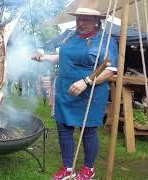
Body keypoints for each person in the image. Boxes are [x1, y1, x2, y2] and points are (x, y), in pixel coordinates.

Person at [32, 1, 118, 179]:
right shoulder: (70, 36)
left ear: (96, 21)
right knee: (63, 128)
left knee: (88, 131)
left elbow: (110, 69)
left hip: (90, 93)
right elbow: (62, 57)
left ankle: (89, 169)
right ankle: (68, 168)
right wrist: (44, 58)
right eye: (79, 19)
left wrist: (86, 82)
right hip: (64, 91)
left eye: (85, 19)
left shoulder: (106, 40)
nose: (80, 23)